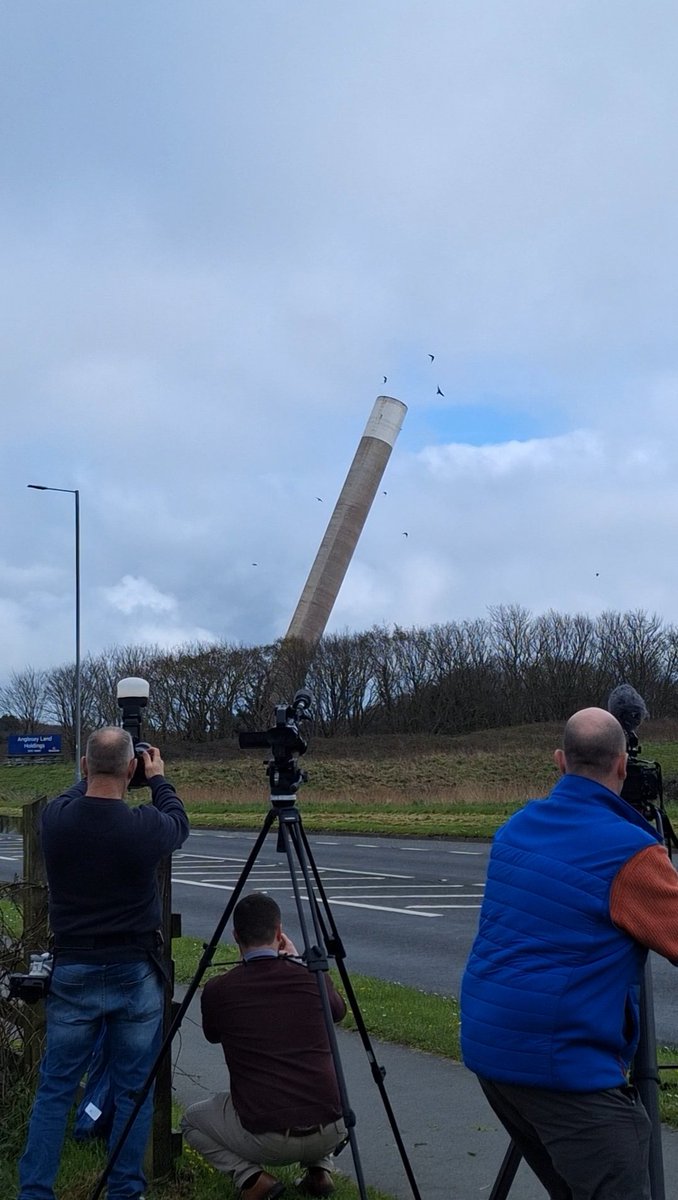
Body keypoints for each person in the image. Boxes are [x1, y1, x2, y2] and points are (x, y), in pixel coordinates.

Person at [460, 706, 678, 1200]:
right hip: (561, 1066)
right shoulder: (631, 852)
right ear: (622, 766)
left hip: (491, 1050)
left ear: (559, 761)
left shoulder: (515, 827)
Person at [18, 726, 189, 1200]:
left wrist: (89, 773)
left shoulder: (57, 820)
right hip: (135, 970)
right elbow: (179, 821)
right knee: (133, 1091)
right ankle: (124, 1190)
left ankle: (34, 1192)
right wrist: (158, 780)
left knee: (55, 1089)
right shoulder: (144, 827)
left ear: (85, 767)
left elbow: (73, 797)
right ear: (132, 768)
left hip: (73, 968)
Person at [181, 892, 347, 1200]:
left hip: (266, 1135)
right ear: (279, 932)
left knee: (192, 1120)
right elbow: (338, 1012)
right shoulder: (311, 978)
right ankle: (320, 1170)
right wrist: (301, 963)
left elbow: (212, 1034)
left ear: (235, 936)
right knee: (312, 1082)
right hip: (332, 1127)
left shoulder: (220, 990)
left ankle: (253, 1179)